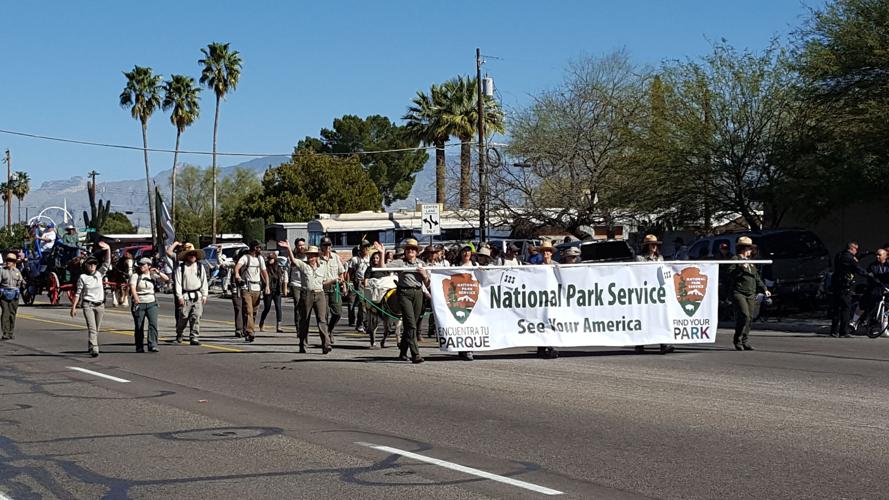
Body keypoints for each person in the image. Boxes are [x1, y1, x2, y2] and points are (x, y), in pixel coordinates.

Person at [279, 241, 332, 354]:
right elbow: (293, 260)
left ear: (316, 256)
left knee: (322, 320)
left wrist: (335, 280)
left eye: (313, 255)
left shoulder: (322, 266)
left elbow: (325, 281)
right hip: (307, 294)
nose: (310, 257)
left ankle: (326, 344)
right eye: (309, 255)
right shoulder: (304, 265)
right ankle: (302, 343)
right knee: (305, 320)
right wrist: (288, 248)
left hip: (319, 293)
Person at [388, 238, 429, 364]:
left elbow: (427, 283)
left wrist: (424, 275)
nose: (410, 251)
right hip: (404, 293)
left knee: (412, 325)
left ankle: (402, 352)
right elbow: (384, 268)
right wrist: (381, 252)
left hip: (418, 293)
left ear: (416, 252)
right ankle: (415, 354)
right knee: (410, 324)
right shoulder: (400, 262)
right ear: (405, 251)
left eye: (413, 249)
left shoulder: (421, 263)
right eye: (408, 249)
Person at [633, 235, 675, 355]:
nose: (654, 247)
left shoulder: (660, 258)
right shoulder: (640, 258)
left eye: (656, 245)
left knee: (660, 318)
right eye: (652, 244)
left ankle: (663, 344)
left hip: (657, 292)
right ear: (647, 246)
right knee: (643, 318)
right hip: (645, 291)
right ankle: (639, 344)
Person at [728, 236, 770, 350]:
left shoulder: (751, 263)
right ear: (742, 249)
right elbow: (730, 274)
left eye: (751, 249)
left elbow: (756, 277)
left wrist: (764, 289)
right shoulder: (735, 259)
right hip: (739, 292)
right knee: (744, 315)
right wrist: (740, 268)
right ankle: (737, 340)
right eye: (748, 248)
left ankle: (745, 340)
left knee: (750, 317)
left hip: (751, 292)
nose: (750, 251)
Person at [71, 241, 111, 357]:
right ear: (86, 266)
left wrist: (108, 249)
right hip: (88, 305)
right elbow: (78, 293)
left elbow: (107, 263)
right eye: (90, 264)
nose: (93, 266)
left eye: (94, 264)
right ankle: (95, 348)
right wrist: (73, 307)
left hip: (100, 305)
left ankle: (91, 344)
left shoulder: (99, 274)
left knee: (96, 328)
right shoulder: (83, 277)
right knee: (92, 328)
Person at [130, 257, 169, 352]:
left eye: (143, 265)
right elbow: (132, 287)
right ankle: (139, 346)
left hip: (151, 302)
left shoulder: (152, 275)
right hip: (140, 302)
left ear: (149, 266)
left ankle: (152, 344)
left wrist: (158, 272)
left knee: (153, 324)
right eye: (140, 265)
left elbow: (166, 279)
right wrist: (136, 298)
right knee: (139, 326)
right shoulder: (136, 276)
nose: (141, 266)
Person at [234, 240, 270, 343]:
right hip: (247, 287)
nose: (260, 249)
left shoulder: (260, 259)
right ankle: (250, 332)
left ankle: (248, 329)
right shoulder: (245, 258)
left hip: (257, 288)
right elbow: (237, 267)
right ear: (254, 248)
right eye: (259, 247)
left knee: (254, 312)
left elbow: (264, 273)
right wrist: (237, 275)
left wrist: (267, 285)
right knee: (248, 310)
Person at [830, 241, 867, 337]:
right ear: (852, 248)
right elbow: (857, 268)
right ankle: (843, 331)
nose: (857, 252)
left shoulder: (839, 255)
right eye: (856, 250)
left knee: (836, 308)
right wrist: (869, 275)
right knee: (846, 308)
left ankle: (834, 331)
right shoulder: (850, 258)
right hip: (844, 286)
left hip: (836, 285)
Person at [175, 244, 209, 345]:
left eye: (194, 254)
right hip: (185, 296)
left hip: (197, 295)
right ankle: (180, 333)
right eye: (190, 254)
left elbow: (204, 281)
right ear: (186, 256)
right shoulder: (181, 268)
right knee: (183, 317)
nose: (192, 256)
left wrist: (204, 295)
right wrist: (179, 296)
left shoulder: (200, 266)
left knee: (196, 316)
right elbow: (178, 283)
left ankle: (194, 337)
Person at [850, 248, 889, 330]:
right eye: (876, 255)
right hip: (874, 288)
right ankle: (854, 322)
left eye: (879, 255)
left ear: (885, 256)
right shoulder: (872, 265)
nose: (877, 256)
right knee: (863, 303)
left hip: (885, 289)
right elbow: (870, 276)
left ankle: (884, 328)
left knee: (886, 308)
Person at [319, 237, 346, 339]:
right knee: (324, 315)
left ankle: (330, 329)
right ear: (321, 246)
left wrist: (344, 285)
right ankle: (325, 337)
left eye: (329, 245)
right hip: (322, 288)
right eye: (325, 245)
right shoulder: (317, 258)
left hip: (335, 287)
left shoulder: (335, 257)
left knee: (338, 313)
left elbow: (341, 272)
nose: (327, 247)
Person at [536, 241, 559, 359]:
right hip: (541, 299)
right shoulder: (538, 267)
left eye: (548, 251)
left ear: (551, 253)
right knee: (541, 321)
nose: (546, 253)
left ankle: (551, 347)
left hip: (553, 298)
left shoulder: (557, 266)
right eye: (544, 251)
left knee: (552, 321)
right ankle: (541, 347)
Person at [0, 252, 25, 341]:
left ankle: (11, 332)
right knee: (5, 313)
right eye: (7, 260)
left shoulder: (17, 271)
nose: (8, 262)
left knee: (12, 314)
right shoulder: (2, 271)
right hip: (4, 294)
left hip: (14, 295)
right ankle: (5, 333)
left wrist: (24, 285)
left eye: (11, 260)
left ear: (14, 262)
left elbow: (21, 281)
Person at [259, 253, 285, 333]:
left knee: (278, 307)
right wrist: (265, 286)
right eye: (269, 258)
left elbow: (282, 278)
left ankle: (279, 326)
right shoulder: (265, 268)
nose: (270, 260)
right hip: (268, 290)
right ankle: (262, 322)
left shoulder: (278, 268)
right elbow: (263, 277)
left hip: (276, 290)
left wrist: (284, 288)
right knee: (267, 308)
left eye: (272, 258)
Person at [349, 241, 371, 333]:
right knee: (362, 305)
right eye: (364, 247)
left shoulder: (371, 259)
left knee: (369, 305)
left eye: (367, 247)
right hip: (359, 283)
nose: (366, 249)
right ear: (360, 248)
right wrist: (349, 283)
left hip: (370, 283)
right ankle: (362, 324)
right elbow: (349, 272)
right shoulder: (355, 259)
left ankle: (364, 323)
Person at [287, 238, 307, 335]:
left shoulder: (308, 256)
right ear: (296, 246)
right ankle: (299, 329)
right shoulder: (292, 257)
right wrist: (286, 285)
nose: (302, 247)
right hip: (295, 284)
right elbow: (287, 272)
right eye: (299, 245)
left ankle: (304, 326)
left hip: (306, 284)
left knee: (306, 307)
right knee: (298, 305)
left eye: (303, 244)